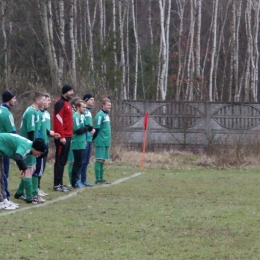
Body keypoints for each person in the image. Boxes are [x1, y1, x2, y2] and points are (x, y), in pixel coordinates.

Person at [14, 91, 46, 204]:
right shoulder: (31, 112)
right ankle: (32, 195)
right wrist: (34, 147)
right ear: (37, 100)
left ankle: (19, 192)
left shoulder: (36, 112)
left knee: (32, 168)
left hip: (30, 144)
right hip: (28, 144)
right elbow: (31, 131)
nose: (45, 101)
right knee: (30, 169)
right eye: (43, 99)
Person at [0, 134, 46, 209]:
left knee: (1, 177)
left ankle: (4, 200)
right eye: (40, 153)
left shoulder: (29, 146)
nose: (38, 156)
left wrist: (22, 168)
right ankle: (1, 202)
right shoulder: (27, 146)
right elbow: (18, 157)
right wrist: (23, 168)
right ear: (36, 148)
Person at [34, 93, 60, 198]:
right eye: (46, 100)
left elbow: (46, 129)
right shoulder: (37, 113)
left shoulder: (46, 113)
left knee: (42, 166)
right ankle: (35, 187)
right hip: (40, 144)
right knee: (37, 166)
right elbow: (39, 129)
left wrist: (51, 133)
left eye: (49, 100)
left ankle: (38, 187)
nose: (48, 102)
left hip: (46, 142)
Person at [53, 85, 74, 192]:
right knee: (60, 160)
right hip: (63, 137)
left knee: (63, 160)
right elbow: (58, 120)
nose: (72, 92)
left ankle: (60, 183)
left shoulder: (67, 103)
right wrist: (61, 136)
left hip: (68, 136)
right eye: (70, 91)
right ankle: (57, 184)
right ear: (65, 91)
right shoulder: (60, 103)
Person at [0, 90, 18, 207]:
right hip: (4, 146)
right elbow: (12, 132)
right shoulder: (6, 113)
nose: (15, 100)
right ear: (9, 99)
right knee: (4, 173)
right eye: (14, 98)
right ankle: (5, 198)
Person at [70, 100, 93, 189]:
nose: (85, 109)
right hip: (77, 143)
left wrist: (87, 128)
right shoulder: (76, 116)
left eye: (85, 107)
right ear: (77, 107)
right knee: (77, 163)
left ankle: (76, 181)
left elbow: (84, 128)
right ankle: (74, 182)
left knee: (80, 163)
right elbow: (78, 130)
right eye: (83, 107)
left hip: (82, 142)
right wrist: (87, 128)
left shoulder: (82, 116)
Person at [77, 94, 95, 187]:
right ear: (86, 100)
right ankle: (78, 179)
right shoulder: (81, 112)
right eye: (91, 99)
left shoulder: (88, 112)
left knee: (86, 161)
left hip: (89, 139)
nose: (93, 101)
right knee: (81, 160)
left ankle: (84, 179)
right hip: (84, 139)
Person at [93, 98, 112, 185]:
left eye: (110, 105)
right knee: (99, 160)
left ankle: (101, 178)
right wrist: (93, 138)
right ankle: (98, 179)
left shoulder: (106, 115)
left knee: (103, 160)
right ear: (103, 105)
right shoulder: (100, 115)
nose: (109, 107)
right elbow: (96, 128)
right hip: (100, 141)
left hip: (106, 141)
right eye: (108, 105)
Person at [67, 96, 81, 186]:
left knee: (76, 161)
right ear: (73, 105)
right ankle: (71, 180)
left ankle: (75, 179)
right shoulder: (72, 114)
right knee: (71, 161)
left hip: (78, 140)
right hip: (72, 139)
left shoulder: (78, 114)